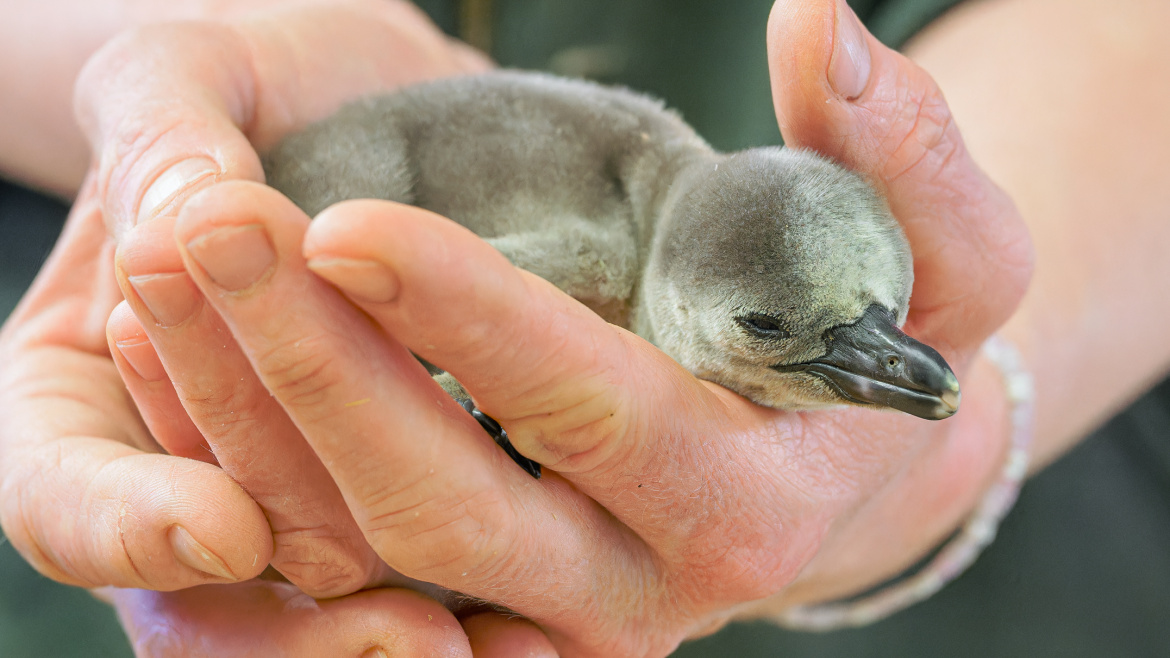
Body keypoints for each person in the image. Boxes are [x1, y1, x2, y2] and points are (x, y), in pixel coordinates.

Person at [0, 0, 1167, 655]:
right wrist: (174, 117)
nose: (886, 362)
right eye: (782, 330)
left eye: (889, 313)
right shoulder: (605, 257)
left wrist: (991, 375)